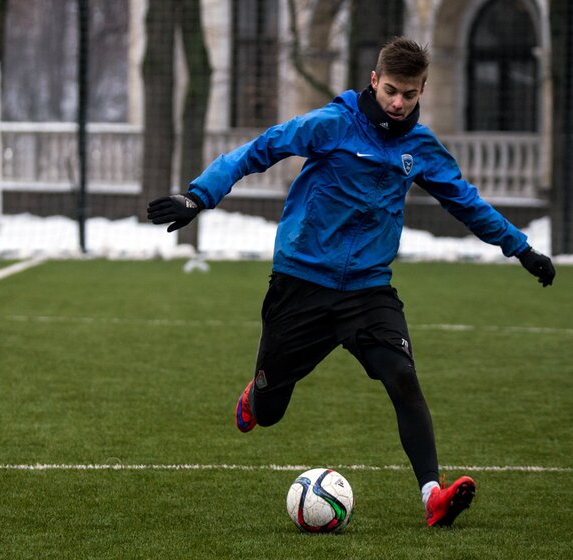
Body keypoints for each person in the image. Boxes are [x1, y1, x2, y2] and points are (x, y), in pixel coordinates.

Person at [147, 37, 556, 528]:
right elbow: (259, 150)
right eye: (390, 91)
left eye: (408, 93)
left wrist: (523, 249)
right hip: (302, 282)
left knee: (402, 378)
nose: (398, 103)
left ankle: (433, 495)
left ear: (422, 89)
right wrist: (198, 196)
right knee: (272, 408)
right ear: (373, 82)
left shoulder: (420, 148)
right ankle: (255, 396)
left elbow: (467, 202)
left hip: (368, 291)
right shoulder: (332, 124)